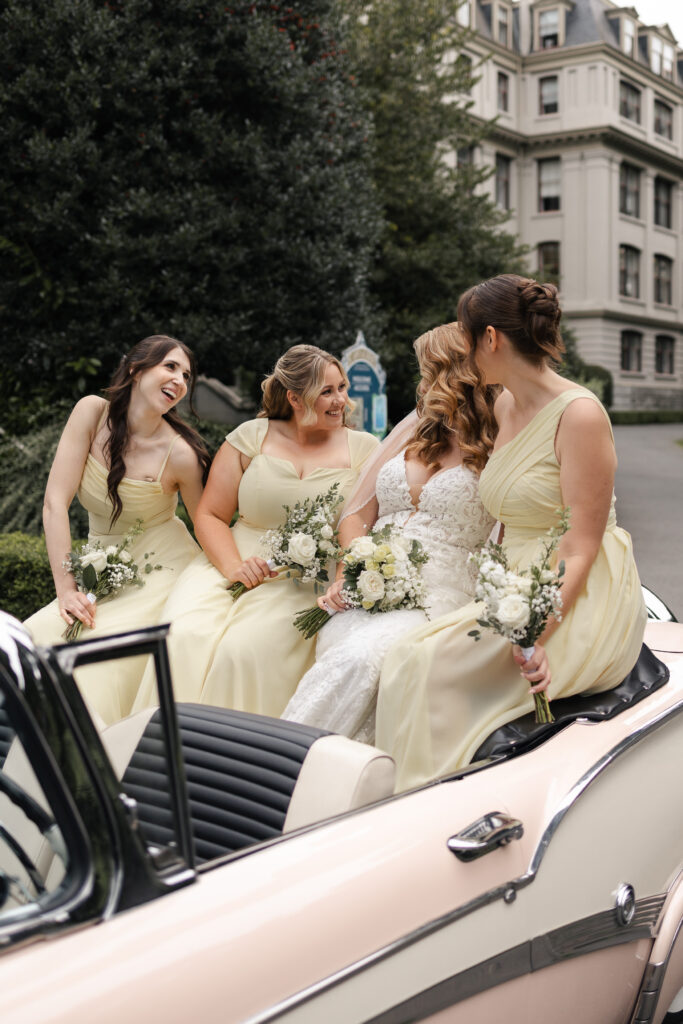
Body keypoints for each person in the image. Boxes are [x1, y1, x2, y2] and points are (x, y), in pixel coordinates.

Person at [374, 275, 647, 791]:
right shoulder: (502, 405)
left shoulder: (580, 414)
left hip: (574, 591)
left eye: (466, 332)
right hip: (511, 582)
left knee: (427, 666)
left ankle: (436, 806)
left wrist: (534, 634)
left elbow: (579, 544)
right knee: (409, 656)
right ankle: (410, 804)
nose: (461, 345)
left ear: (492, 338)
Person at [132, 344, 379, 718]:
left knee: (243, 651)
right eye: (326, 392)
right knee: (180, 637)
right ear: (295, 398)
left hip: (302, 578)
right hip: (228, 558)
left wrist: (344, 577)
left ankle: (230, 758)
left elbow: (359, 523)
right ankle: (158, 746)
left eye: (342, 388)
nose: (341, 400)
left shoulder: (365, 449)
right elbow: (211, 514)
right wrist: (233, 566)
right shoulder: (250, 436)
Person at [282, 322, 499, 742]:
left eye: (429, 371)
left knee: (363, 658)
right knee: (339, 640)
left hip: (440, 594)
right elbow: (356, 516)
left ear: (459, 374)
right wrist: (353, 567)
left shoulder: (500, 442)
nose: (423, 383)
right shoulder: (416, 429)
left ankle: (283, 762)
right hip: (372, 583)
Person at [24, 335, 210, 724]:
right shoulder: (91, 413)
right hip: (103, 569)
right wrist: (66, 590)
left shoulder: (180, 453)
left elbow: (207, 523)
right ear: (136, 369)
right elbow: (54, 503)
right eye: (170, 366)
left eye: (187, 375)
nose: (180, 380)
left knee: (93, 664)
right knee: (31, 639)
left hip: (162, 573)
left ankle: (92, 774)